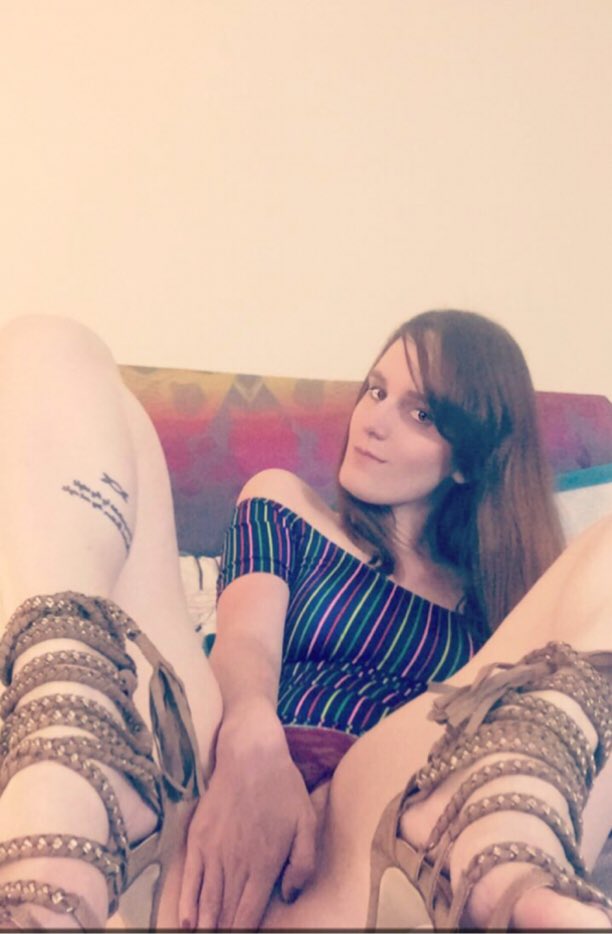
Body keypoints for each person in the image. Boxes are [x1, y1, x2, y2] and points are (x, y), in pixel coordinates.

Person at [0, 312, 609, 931]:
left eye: (421, 413)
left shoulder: (502, 618)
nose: (373, 421)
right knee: (50, 344)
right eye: (376, 391)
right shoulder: (284, 503)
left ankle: (507, 833)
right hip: (217, 786)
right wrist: (253, 743)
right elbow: (245, 642)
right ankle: (67, 756)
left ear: (468, 461)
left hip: (368, 837)